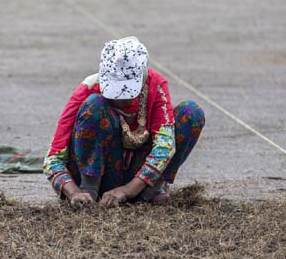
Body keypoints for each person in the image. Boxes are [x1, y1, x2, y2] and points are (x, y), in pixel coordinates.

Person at [44, 36, 205, 207]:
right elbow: (53, 158)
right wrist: (74, 192)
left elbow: (165, 145)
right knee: (94, 104)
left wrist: (128, 190)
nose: (120, 100)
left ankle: (150, 191)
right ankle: (90, 188)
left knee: (191, 113)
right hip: (100, 177)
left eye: (127, 93)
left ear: (142, 78)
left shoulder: (155, 84)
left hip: (140, 179)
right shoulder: (90, 87)